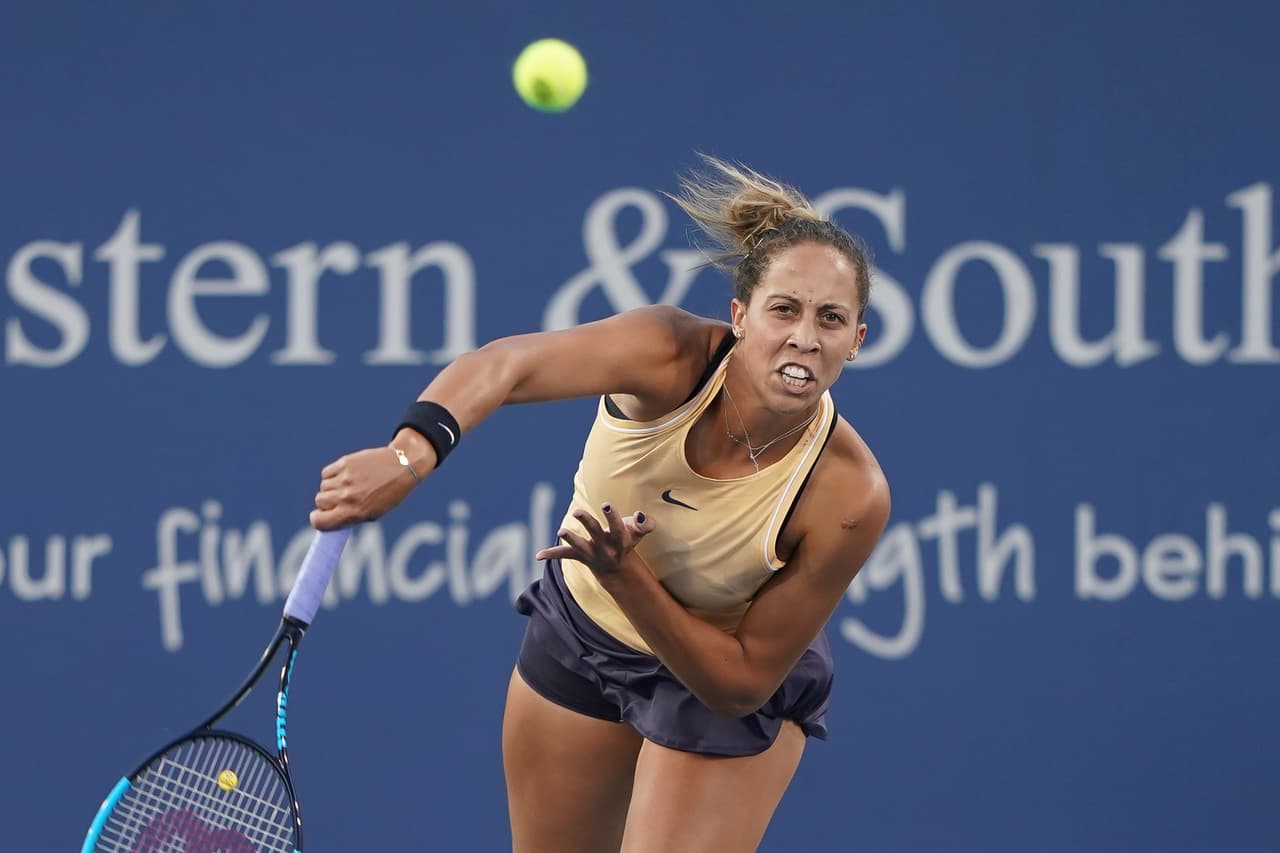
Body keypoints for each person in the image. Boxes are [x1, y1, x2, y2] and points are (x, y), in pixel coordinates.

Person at [309, 156, 891, 853]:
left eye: (831, 318)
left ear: (856, 339)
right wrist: (410, 454)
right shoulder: (668, 354)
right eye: (784, 309)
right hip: (583, 633)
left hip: (715, 679)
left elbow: (737, 682)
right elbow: (509, 365)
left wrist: (627, 575)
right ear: (739, 315)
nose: (804, 337)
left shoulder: (849, 492)